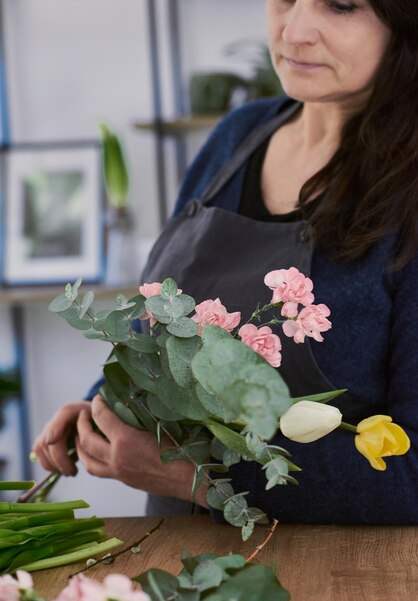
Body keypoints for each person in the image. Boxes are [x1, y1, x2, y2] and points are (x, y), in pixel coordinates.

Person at [33, 0, 418, 524]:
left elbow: (412, 474)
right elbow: (161, 317)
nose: (295, 30)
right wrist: (110, 404)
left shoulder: (408, 192)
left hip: (339, 578)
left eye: (342, 6)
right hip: (173, 564)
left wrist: (195, 477)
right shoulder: (238, 134)